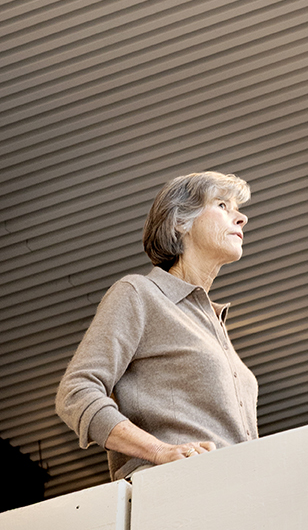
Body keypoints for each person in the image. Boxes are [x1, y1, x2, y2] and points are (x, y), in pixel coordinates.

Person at [56, 170, 258, 480]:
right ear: (180, 221)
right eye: (222, 205)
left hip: (236, 494)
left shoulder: (214, 324)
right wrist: (158, 450)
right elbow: (76, 392)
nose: (241, 218)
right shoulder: (140, 294)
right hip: (172, 493)